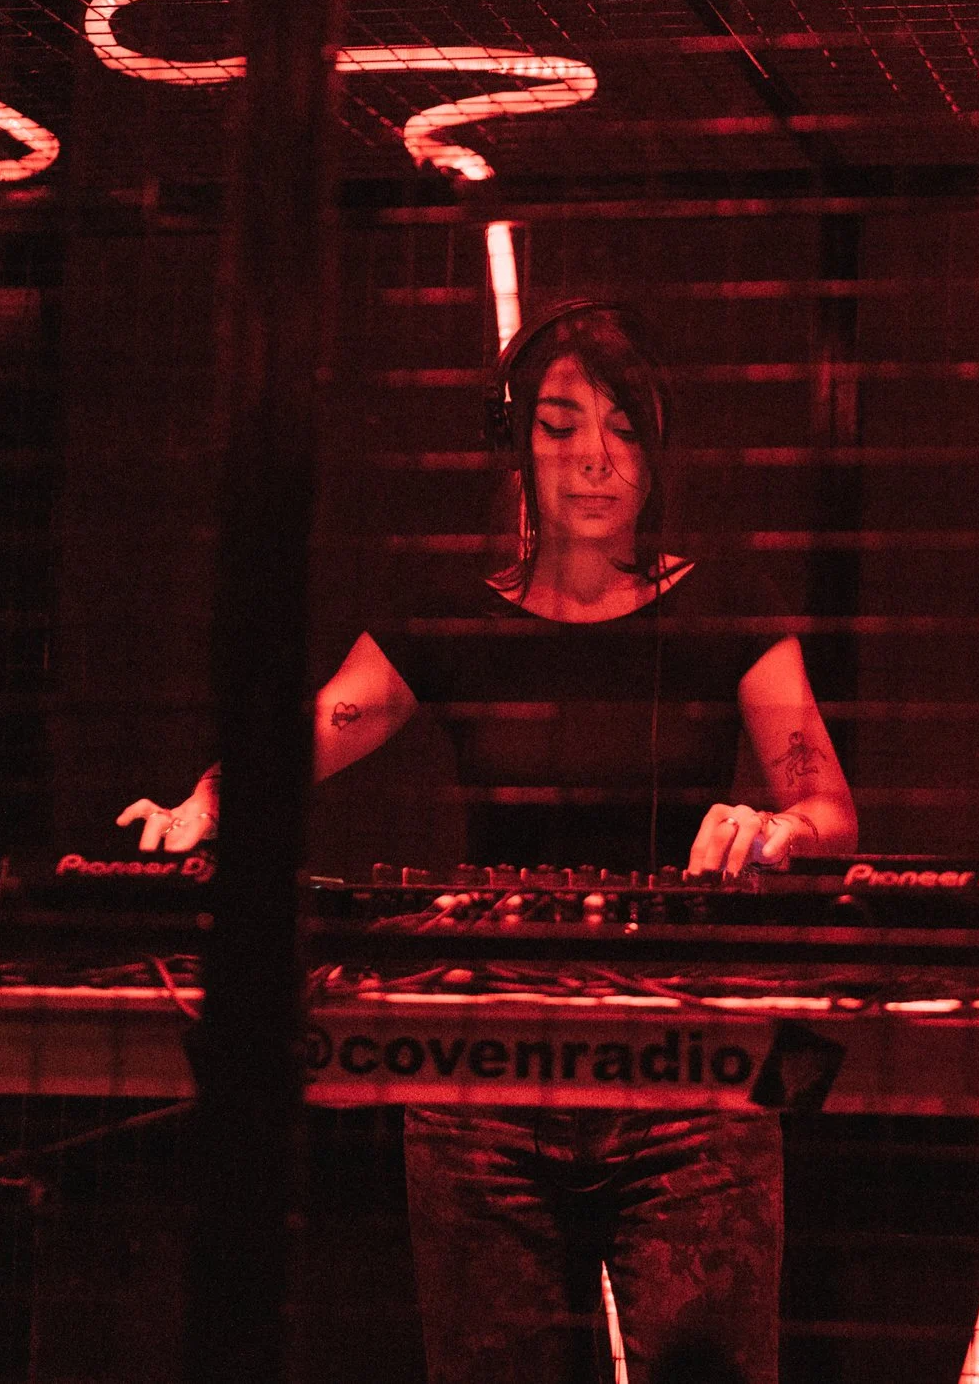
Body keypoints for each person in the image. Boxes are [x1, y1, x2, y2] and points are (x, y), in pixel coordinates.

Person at [119, 299, 856, 1384]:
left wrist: (779, 826)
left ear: (658, 449)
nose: (594, 461)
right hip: (484, 1080)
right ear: (513, 444)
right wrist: (210, 797)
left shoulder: (727, 606)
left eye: (623, 426)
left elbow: (829, 807)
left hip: (689, 1078)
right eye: (560, 427)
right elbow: (312, 731)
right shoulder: (450, 616)